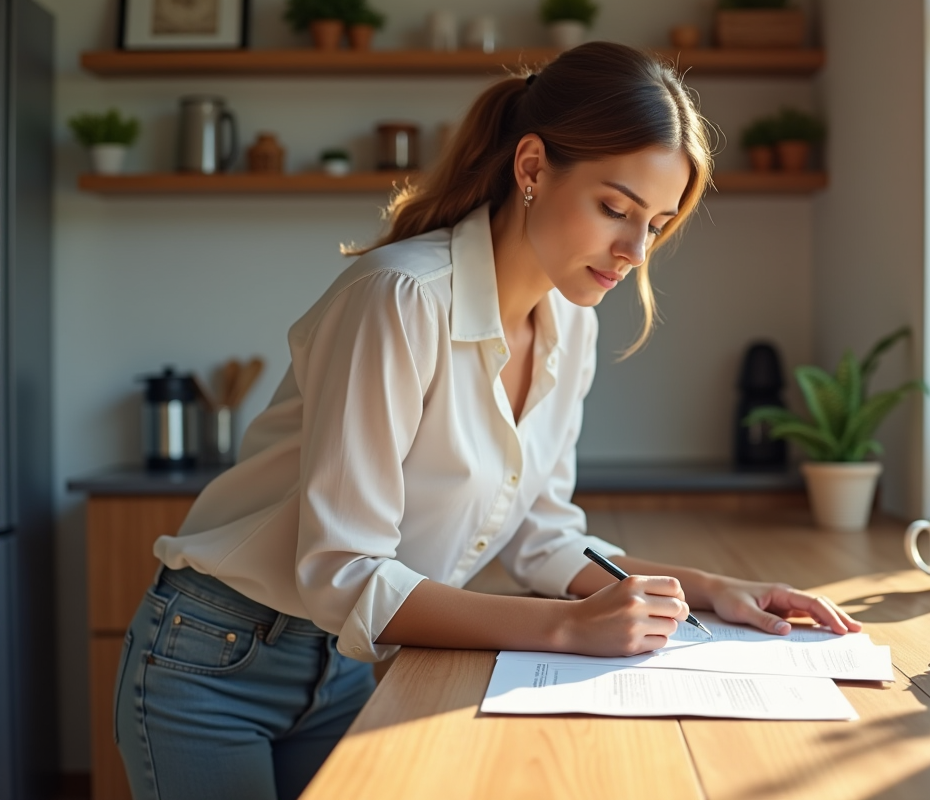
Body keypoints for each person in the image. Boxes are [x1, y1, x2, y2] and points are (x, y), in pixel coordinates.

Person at [113, 41, 862, 800]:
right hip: (215, 658)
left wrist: (709, 589)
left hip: (352, 665)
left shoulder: (572, 326)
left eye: (658, 224)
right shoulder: (400, 300)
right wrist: (569, 630)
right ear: (531, 167)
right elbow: (345, 573)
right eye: (615, 209)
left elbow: (543, 538)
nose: (635, 251)